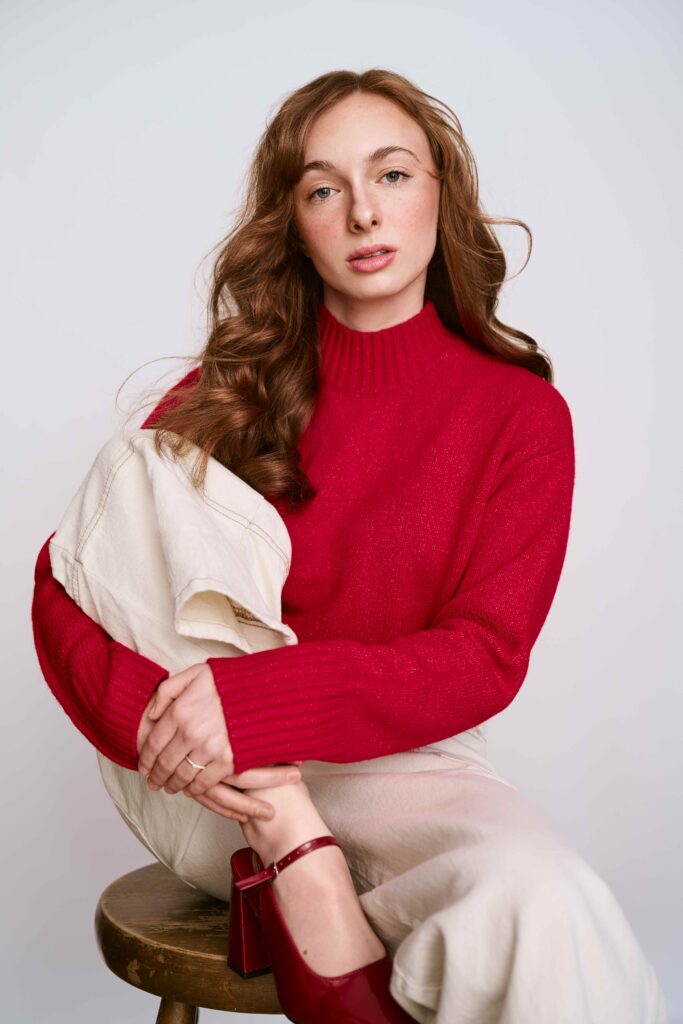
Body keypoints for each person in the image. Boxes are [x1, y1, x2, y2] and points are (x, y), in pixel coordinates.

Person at [31, 68, 669, 1024]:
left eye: (392, 174)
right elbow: (66, 579)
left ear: (442, 192)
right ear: (295, 224)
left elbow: (484, 656)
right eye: (324, 189)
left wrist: (256, 705)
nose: (363, 211)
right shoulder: (230, 390)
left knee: (549, 906)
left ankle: (303, 854)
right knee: (138, 478)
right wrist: (162, 723)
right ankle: (291, 840)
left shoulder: (520, 415)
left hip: (397, 766)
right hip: (209, 785)